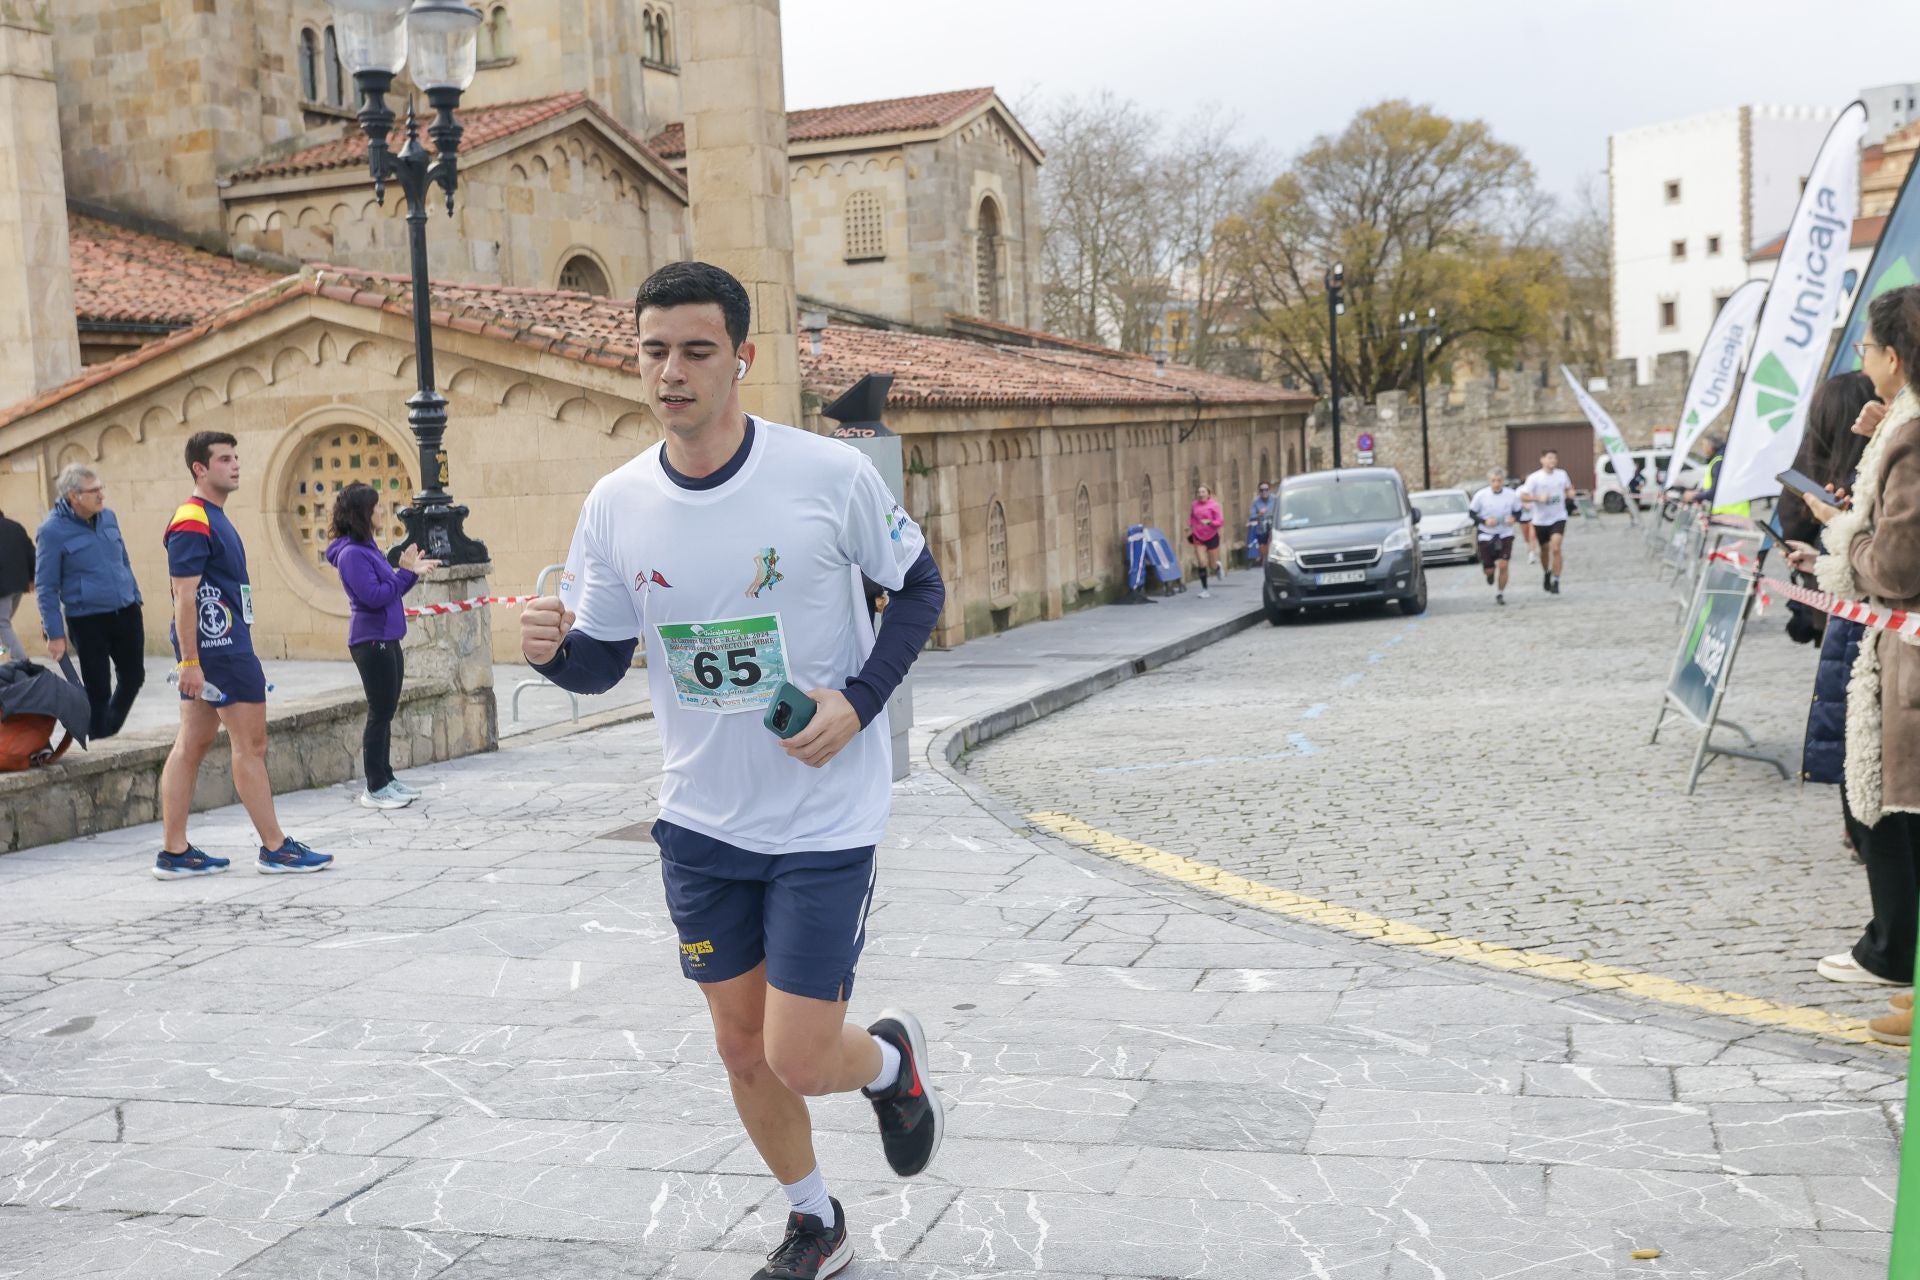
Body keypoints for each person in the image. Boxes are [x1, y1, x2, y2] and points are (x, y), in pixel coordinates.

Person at [524, 262, 947, 1278]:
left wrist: (856, 702)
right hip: (702, 819)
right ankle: (816, 1219)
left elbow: (921, 587)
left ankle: (889, 1062)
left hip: (821, 812)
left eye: (696, 349)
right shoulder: (617, 502)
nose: (671, 371)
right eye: (653, 349)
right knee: (741, 1046)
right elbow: (598, 661)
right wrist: (549, 651)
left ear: (741, 359)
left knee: (803, 1052)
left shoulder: (828, 476)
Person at [1785, 285, 1920, 1046]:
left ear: (1895, 357)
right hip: (1894, 652)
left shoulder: (1913, 434)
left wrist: (1843, 541)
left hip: (1907, 646)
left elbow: (1896, 563)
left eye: (1868, 348)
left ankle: (1900, 958)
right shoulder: (1897, 428)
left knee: (1905, 819)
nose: (1861, 361)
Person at [155, 432, 332, 880]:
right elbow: (184, 595)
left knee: (192, 743)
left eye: (236, 457)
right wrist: (190, 662)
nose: (235, 466)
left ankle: (175, 852)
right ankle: (275, 848)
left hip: (217, 648)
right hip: (221, 650)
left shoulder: (209, 516)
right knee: (250, 746)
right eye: (224, 459)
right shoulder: (193, 518)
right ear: (200, 468)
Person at [323, 482, 439, 811]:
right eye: (375, 507)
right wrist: (403, 573)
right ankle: (374, 788)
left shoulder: (367, 547)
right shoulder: (351, 555)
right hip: (370, 642)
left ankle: (386, 778)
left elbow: (389, 587)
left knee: (387, 712)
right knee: (379, 713)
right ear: (361, 513)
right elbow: (374, 596)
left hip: (387, 639)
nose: (380, 512)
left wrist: (409, 573)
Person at [34, 464, 145, 738]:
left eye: (100, 488)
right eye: (93, 490)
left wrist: (135, 594)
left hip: (126, 611)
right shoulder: (51, 531)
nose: (101, 495)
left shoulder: (109, 517)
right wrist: (55, 633)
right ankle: (100, 739)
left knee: (134, 677)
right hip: (88, 620)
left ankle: (106, 731)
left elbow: (123, 559)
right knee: (98, 690)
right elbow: (46, 587)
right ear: (74, 496)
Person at [1781, 372, 1878, 646]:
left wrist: (1834, 523)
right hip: (1843, 604)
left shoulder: (1884, 468)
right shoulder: (1876, 467)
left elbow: (1888, 566)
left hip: (1861, 610)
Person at [1520, 448, 1574, 593]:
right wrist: (1538, 498)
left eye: (1555, 458)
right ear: (1542, 460)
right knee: (1544, 550)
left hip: (1558, 517)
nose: (1552, 461)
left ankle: (1556, 581)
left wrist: (1570, 493)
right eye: (1549, 458)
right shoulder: (1534, 478)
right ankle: (1546, 573)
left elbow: (1569, 488)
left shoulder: (1562, 474)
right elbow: (1523, 496)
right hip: (1540, 520)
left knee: (1555, 548)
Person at [1468, 467, 1523, 605]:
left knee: (1504, 564)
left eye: (1499, 480)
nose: (1496, 483)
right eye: (1493, 481)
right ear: (1489, 481)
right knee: (1489, 568)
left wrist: (1514, 519)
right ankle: (1490, 574)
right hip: (1486, 534)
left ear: (1503, 481)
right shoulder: (1481, 495)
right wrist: (1484, 521)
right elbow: (1472, 514)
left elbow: (1518, 512)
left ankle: (1500, 593)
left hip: (1505, 533)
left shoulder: (1511, 494)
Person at [0, 505, 32, 661]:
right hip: (19, 586)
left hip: (2, 588)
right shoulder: (15, 527)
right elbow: (30, 552)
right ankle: (4, 655)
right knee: (3, 625)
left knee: (2, 624)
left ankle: (22, 662)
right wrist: (32, 578)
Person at [1188, 483, 1224, 597]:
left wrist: (1210, 522)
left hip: (1212, 536)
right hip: (1198, 536)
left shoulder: (1214, 505)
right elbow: (1192, 517)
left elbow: (1220, 522)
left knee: (1212, 565)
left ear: (1208, 494)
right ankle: (1205, 589)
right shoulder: (1194, 505)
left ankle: (1217, 567)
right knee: (1202, 562)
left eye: (1203, 492)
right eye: (1199, 492)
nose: (1201, 494)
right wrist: (1190, 526)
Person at [1248, 480, 1276, 566]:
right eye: (1261, 490)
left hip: (1273, 525)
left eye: (1266, 489)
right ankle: (1265, 559)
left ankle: (1272, 560)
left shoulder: (1275, 499)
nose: (1264, 492)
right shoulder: (1256, 501)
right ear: (1259, 491)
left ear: (1269, 490)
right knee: (1262, 545)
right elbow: (1252, 516)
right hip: (1261, 527)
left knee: (1272, 540)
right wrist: (1259, 514)